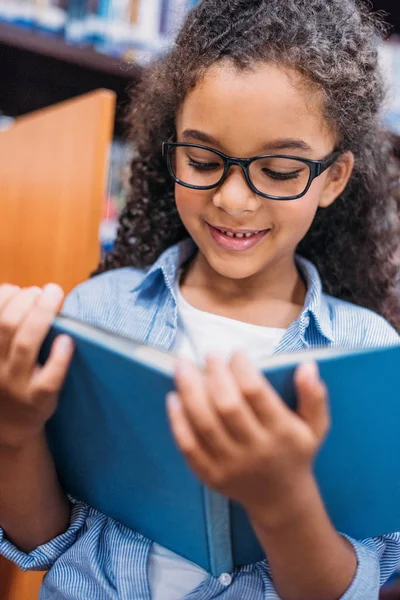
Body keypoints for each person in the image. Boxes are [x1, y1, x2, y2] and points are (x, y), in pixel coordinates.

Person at [1, 1, 400, 599]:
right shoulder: (100, 312)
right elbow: (46, 541)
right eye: (204, 160)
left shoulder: (367, 353)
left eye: (281, 169)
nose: (233, 201)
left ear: (334, 178)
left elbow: (352, 588)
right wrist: (13, 432)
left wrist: (283, 503)